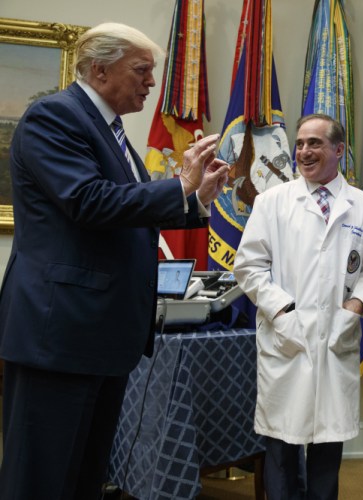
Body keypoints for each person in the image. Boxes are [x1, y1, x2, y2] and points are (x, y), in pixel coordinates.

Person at [0, 23, 229, 500]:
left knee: (84, 477)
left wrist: (196, 197)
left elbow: (126, 212)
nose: (151, 83)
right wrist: (180, 185)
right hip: (59, 335)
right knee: (41, 480)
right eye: (142, 70)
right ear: (100, 69)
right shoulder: (55, 117)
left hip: (99, 334)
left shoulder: (111, 129)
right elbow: (87, 201)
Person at [233, 114, 363, 500]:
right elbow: (248, 267)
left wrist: (355, 306)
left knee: (327, 451)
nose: (303, 151)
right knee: (281, 452)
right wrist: (283, 312)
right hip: (288, 340)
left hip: (336, 339)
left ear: (338, 150)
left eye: (314, 143)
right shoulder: (273, 202)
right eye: (300, 143)